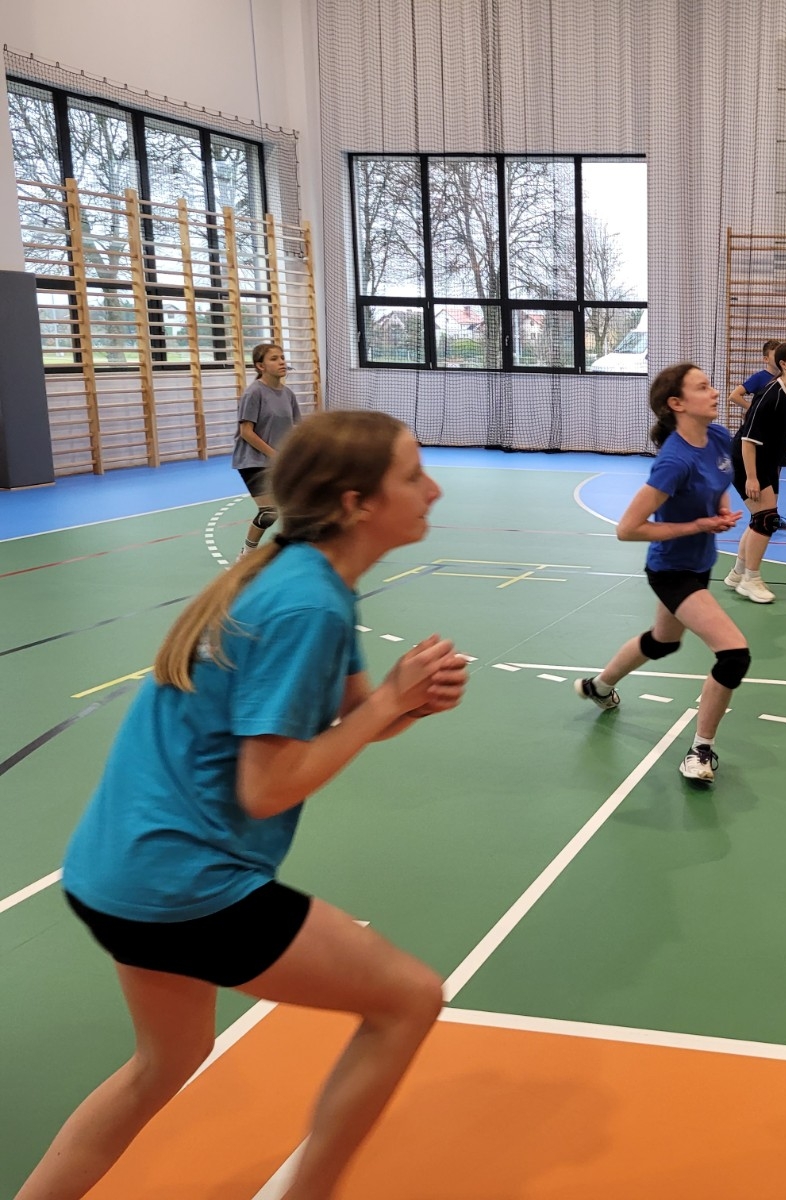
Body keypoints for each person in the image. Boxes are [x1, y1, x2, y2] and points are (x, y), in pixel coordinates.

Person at [20, 411, 468, 1200]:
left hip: (113, 871)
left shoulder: (305, 577)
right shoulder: (308, 605)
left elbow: (351, 718)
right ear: (357, 503)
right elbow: (266, 789)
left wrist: (404, 702)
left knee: (164, 1063)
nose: (432, 490)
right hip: (181, 883)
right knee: (409, 1000)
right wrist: (383, 707)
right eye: (412, 476)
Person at [575, 363, 750, 783]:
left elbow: (719, 482)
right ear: (677, 403)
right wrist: (696, 525)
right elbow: (627, 529)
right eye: (702, 387)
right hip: (672, 569)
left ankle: (598, 687)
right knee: (734, 654)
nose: (715, 392)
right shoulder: (673, 461)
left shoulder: (717, 436)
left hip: (700, 562)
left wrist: (720, 509)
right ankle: (700, 751)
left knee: (663, 642)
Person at [724, 341, 786, 602]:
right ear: (783, 364)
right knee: (767, 519)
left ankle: (738, 574)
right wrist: (751, 477)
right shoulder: (770, 395)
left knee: (761, 518)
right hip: (746, 459)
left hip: (770, 460)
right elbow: (747, 440)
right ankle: (751, 579)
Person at [233, 342, 302, 559]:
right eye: (274, 359)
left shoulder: (288, 394)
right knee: (269, 513)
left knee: (296, 506)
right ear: (260, 366)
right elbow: (246, 432)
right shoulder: (254, 393)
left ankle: (294, 549)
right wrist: (274, 455)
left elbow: (295, 428)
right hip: (253, 460)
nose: (281, 362)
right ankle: (247, 553)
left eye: (282, 357)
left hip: (278, 461)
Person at [727, 339, 786, 531]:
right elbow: (734, 395)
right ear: (766, 359)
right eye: (776, 354)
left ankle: (772, 514)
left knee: (774, 476)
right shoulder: (760, 378)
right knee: (759, 476)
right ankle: (759, 514)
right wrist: (753, 409)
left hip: (777, 440)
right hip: (759, 439)